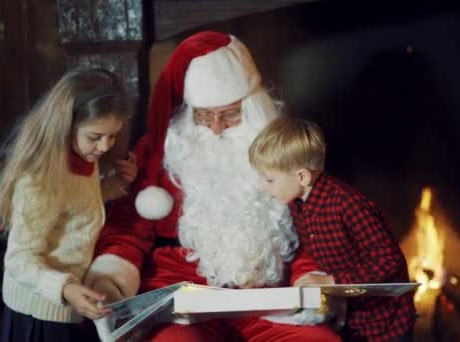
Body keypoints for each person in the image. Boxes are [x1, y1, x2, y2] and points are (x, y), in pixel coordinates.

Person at [84, 31, 341, 341]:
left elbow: (315, 229)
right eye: (204, 115)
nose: (216, 127)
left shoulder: (287, 154)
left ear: (253, 106)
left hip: (268, 301)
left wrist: (308, 276)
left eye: (230, 115)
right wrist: (111, 279)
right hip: (185, 306)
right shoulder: (160, 155)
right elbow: (128, 229)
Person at [0, 68, 137, 342]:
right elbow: (19, 260)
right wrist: (66, 289)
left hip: (66, 307)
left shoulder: (83, 159)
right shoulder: (40, 181)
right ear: (65, 127)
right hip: (39, 315)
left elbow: (73, 207)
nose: (105, 146)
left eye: (113, 135)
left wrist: (116, 184)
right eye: (95, 136)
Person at [248, 116, 417, 341]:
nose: (263, 187)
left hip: (384, 322)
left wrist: (331, 281)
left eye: (269, 180)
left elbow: (388, 260)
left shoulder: (348, 204)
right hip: (348, 316)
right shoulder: (297, 203)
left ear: (302, 176)